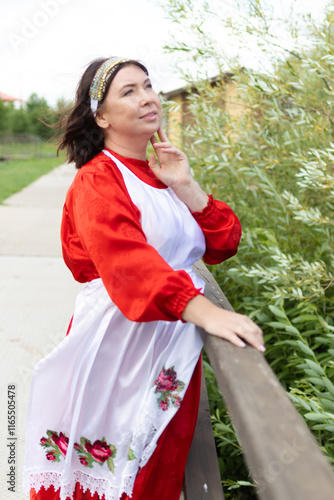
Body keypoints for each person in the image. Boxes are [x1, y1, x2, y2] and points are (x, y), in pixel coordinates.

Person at [23, 56, 265, 500]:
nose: (148, 97)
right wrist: (205, 312)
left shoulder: (160, 175)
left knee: (156, 473)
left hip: (169, 349)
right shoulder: (97, 180)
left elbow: (223, 242)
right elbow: (128, 264)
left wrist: (185, 184)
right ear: (101, 116)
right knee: (113, 474)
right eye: (128, 91)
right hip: (118, 351)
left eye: (148, 85)